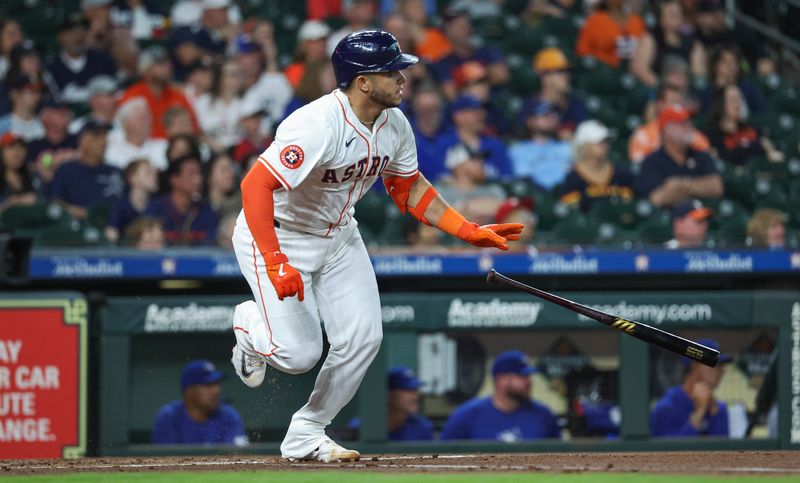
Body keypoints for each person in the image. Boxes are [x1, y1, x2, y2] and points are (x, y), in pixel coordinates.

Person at [229, 30, 522, 462]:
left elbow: (408, 188)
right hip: (277, 233)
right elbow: (255, 185)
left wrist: (465, 229)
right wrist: (274, 261)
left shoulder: (394, 123)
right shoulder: (316, 124)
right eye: (393, 70)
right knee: (299, 355)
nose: (404, 76)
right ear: (363, 81)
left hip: (338, 235)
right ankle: (249, 328)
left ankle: (307, 432)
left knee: (364, 337)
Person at [440, 350, 560, 441]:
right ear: (501, 380)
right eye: (522, 376)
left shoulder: (544, 415)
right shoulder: (466, 416)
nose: (528, 382)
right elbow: (442, 460)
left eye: (528, 377)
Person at [635, 104, 723, 208]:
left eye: (689, 122)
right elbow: (657, 199)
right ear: (667, 129)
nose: (689, 127)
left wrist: (680, 185)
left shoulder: (701, 156)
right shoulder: (652, 162)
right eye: (682, 124)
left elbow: (716, 187)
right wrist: (699, 188)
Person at [152, 359, 247, 445]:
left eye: (217, 384)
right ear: (189, 391)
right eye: (209, 385)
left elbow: (236, 459)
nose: (217, 391)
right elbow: (166, 461)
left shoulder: (229, 416)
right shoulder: (169, 417)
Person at [651, 338, 733, 437]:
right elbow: (670, 451)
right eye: (715, 363)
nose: (722, 370)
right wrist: (698, 414)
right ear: (695, 365)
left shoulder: (718, 407)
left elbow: (723, 450)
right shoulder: (667, 406)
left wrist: (715, 412)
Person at [118, 46, 200, 139]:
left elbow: (194, 129)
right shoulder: (133, 95)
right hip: (146, 148)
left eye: (168, 63)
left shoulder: (177, 96)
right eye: (160, 63)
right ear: (145, 70)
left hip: (175, 147)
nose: (167, 67)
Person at [50, 121, 122, 220]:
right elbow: (55, 202)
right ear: (83, 141)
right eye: (97, 137)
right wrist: (76, 211)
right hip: (77, 227)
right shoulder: (66, 170)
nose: (103, 142)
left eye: (104, 136)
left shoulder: (116, 171)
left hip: (114, 226)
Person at [432, 8, 509, 101]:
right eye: (457, 27)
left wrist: (475, 73)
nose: (463, 30)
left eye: (465, 26)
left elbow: (502, 75)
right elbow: (450, 94)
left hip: (493, 103)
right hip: (465, 109)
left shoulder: (486, 51)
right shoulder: (443, 63)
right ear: (447, 32)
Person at [559, 120, 634, 212]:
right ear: (584, 147)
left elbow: (630, 204)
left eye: (606, 142)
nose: (604, 146)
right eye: (599, 142)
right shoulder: (572, 178)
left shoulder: (621, 173)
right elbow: (573, 212)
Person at [629, 0, 706, 88]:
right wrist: (661, 88)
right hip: (656, 91)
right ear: (661, 19)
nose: (678, 17)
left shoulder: (692, 42)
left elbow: (699, 74)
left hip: (685, 92)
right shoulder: (650, 38)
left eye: (679, 13)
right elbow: (638, 68)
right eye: (672, 14)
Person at [45, 11, 117, 104]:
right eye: (71, 32)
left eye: (82, 30)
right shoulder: (51, 68)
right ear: (60, 37)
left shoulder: (104, 61)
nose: (78, 37)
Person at [145, 154, 218, 245]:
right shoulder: (155, 208)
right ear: (174, 179)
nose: (198, 179)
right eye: (191, 174)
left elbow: (209, 247)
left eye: (199, 173)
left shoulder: (206, 210)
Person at [629, 83, 709, 165]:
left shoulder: (695, 136)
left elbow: (706, 164)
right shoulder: (643, 135)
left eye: (680, 103)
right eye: (673, 102)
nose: (677, 107)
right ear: (660, 104)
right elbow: (639, 167)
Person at [348, 366, 434, 440]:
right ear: (390, 394)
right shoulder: (360, 427)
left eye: (415, 390)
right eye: (408, 390)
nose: (415, 396)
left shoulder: (423, 428)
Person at [705, 85, 782, 167]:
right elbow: (726, 159)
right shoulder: (712, 136)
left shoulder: (753, 129)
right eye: (733, 99)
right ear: (720, 103)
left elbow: (769, 149)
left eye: (740, 99)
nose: (738, 104)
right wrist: (756, 146)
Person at [439, 95, 511, 182]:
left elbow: (507, 178)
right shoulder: (442, 145)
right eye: (475, 112)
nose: (482, 116)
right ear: (458, 116)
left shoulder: (495, 145)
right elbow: (436, 179)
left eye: (482, 112)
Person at [521, 48, 588, 139]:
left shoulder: (576, 105)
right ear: (544, 77)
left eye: (567, 71)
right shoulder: (530, 107)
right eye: (560, 71)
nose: (567, 76)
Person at [435, 144, 507, 226]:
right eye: (475, 160)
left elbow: (504, 208)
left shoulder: (493, 189)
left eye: (481, 159)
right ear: (460, 167)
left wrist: (466, 208)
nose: (482, 163)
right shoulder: (442, 191)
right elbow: (441, 217)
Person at [509, 99, 573, 191]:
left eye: (553, 114)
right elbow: (523, 180)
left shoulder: (566, 147)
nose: (550, 118)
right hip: (537, 196)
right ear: (530, 122)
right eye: (545, 115)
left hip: (567, 194)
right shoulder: (517, 151)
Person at [576, 0, 647, 68]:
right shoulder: (594, 21)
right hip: (604, 73)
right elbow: (583, 52)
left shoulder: (637, 21)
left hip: (635, 71)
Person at [105, 97, 168, 171]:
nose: (147, 121)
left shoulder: (163, 146)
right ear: (125, 123)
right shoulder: (109, 148)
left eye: (148, 117)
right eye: (141, 118)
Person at [106, 158, 159, 243]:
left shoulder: (159, 204)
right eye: (148, 172)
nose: (154, 176)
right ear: (132, 178)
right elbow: (111, 235)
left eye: (154, 173)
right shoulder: (120, 206)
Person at [0, 132, 37, 213]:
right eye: (12, 147)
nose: (17, 152)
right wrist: (10, 204)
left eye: (21, 147)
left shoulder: (33, 176)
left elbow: (48, 204)